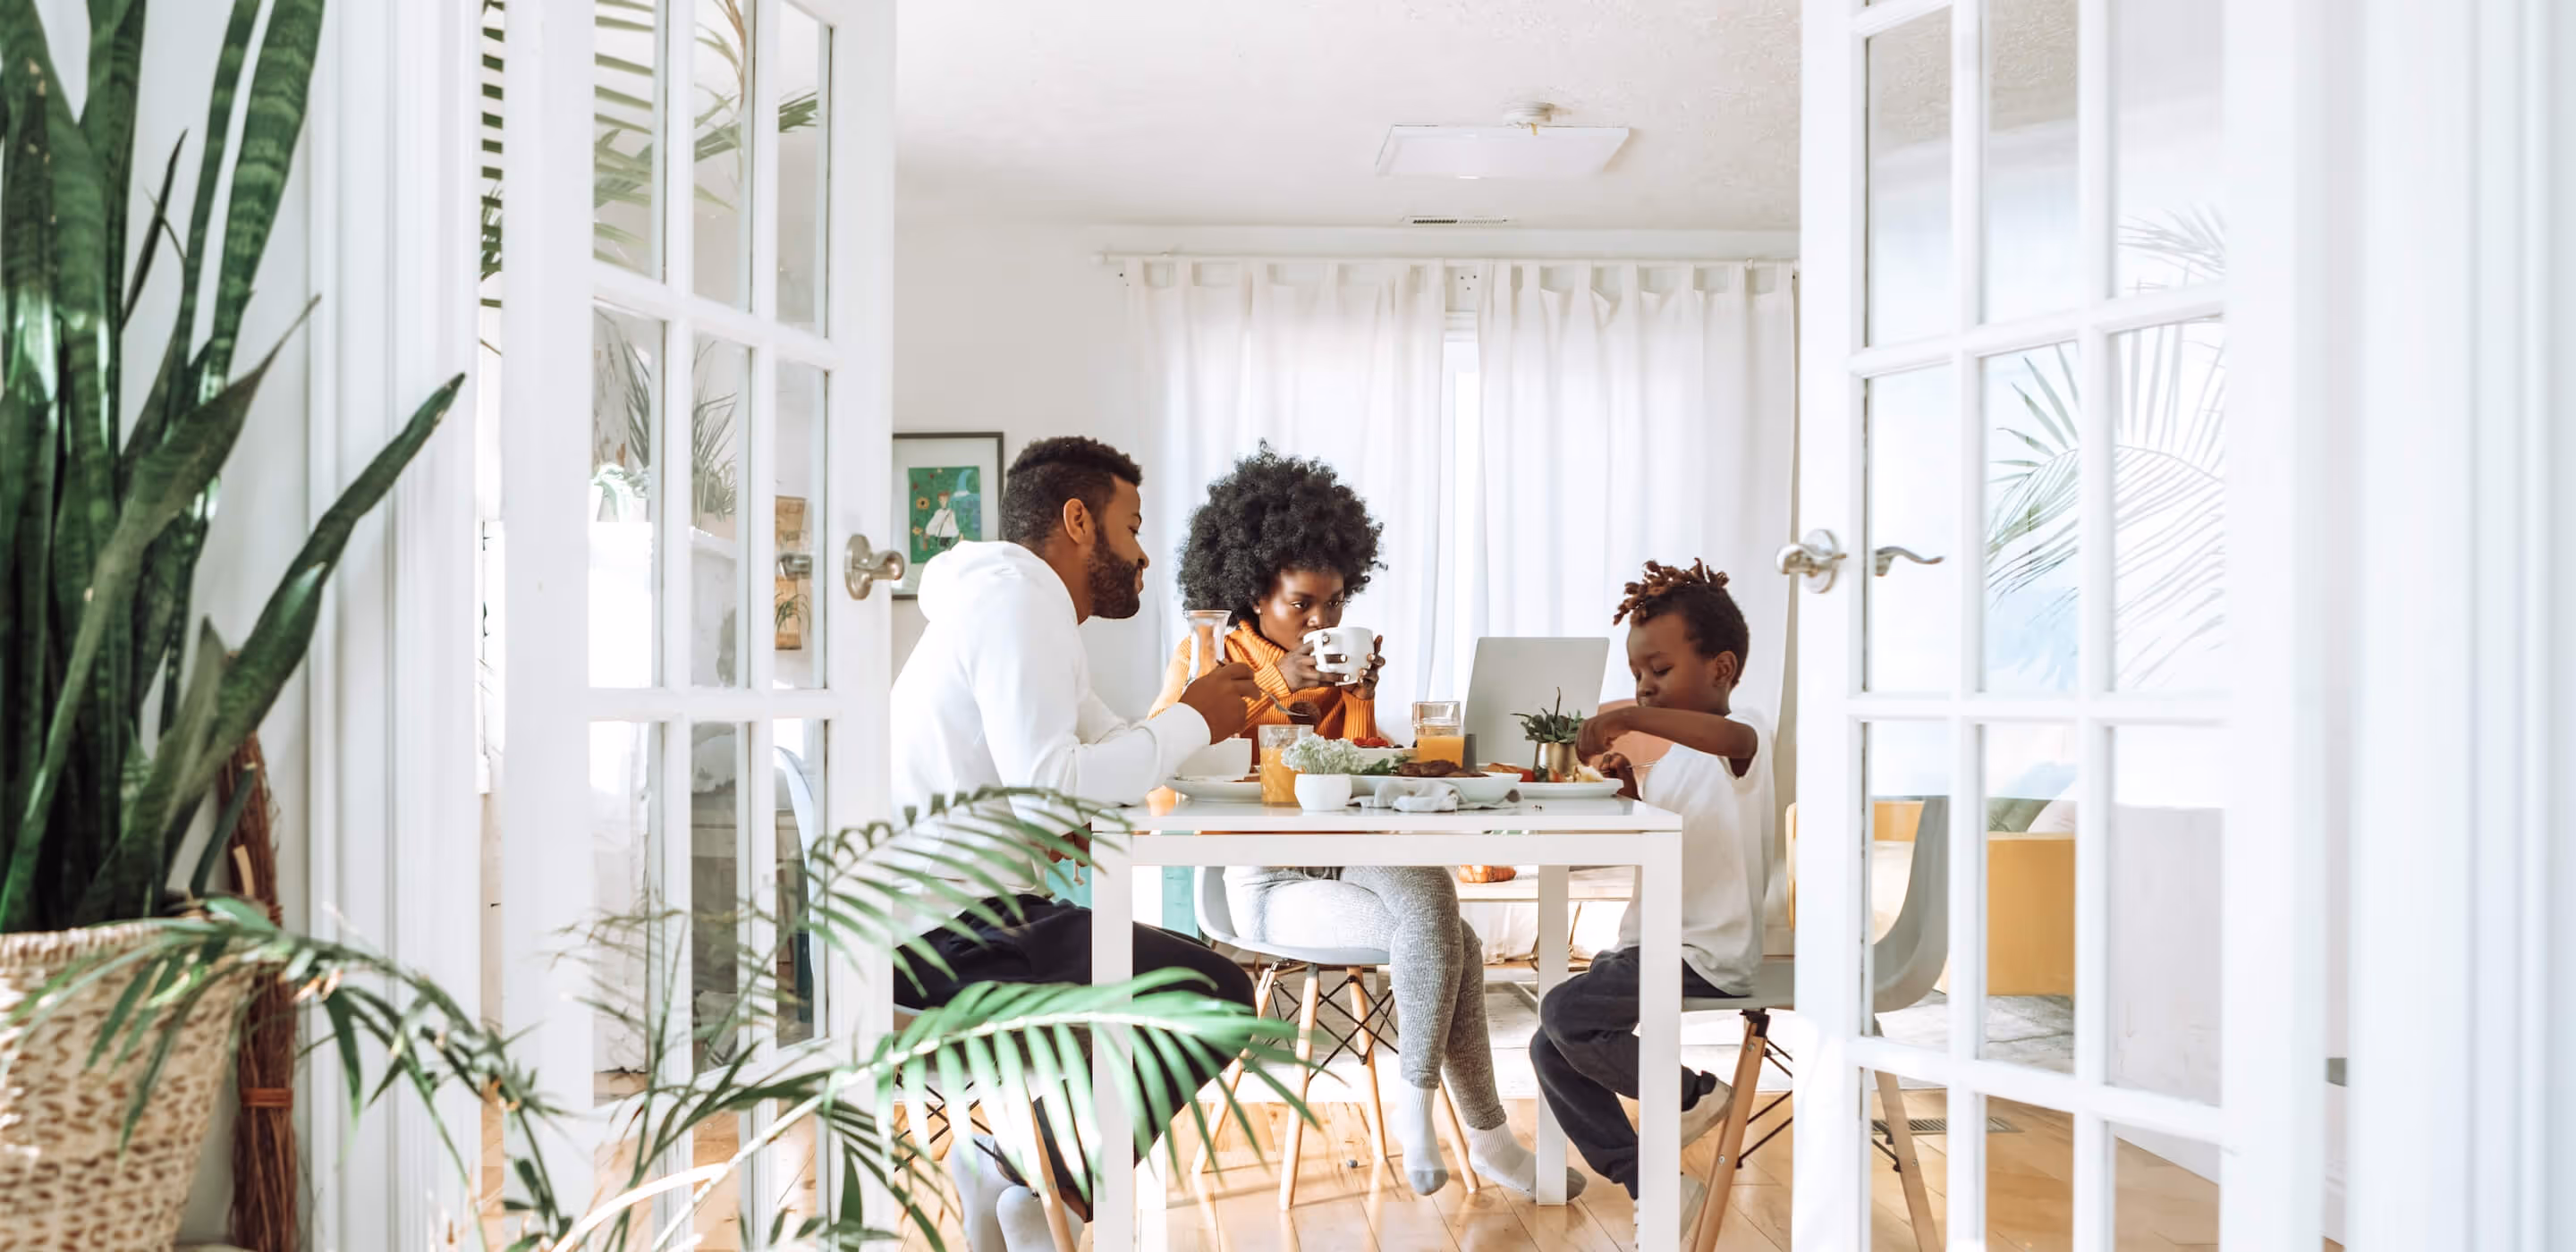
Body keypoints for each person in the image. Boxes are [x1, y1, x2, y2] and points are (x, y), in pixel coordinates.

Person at [1147, 445, 1579, 1199]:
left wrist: (1364, 701)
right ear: (1253, 591)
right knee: (1455, 939)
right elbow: (1165, 770)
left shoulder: (1336, 666)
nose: (1322, 621)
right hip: (1265, 877)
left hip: (1347, 853)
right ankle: (1476, 1136)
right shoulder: (1210, 657)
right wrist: (1279, 681)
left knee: (1435, 904)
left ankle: (1441, 1122)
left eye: (1335, 603)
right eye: (1301, 604)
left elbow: (1350, 775)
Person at [890, 436, 1263, 1252]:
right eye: (1131, 529)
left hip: (965, 913)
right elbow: (1060, 780)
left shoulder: (1017, 605)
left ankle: (1010, 1168)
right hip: (947, 932)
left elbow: (1106, 757)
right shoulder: (1016, 605)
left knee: (1193, 986)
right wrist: (1195, 716)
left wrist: (1187, 711)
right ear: (1077, 520)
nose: (1142, 558)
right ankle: (1044, 1186)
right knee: (1214, 997)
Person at [1530, 559, 1775, 1240]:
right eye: (1638, 673)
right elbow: (1669, 837)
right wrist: (1630, 787)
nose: (1644, 686)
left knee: (1565, 1014)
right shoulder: (1677, 760)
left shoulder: (1745, 732)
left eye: (1660, 671)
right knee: (1551, 1048)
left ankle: (1695, 1095)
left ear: (1722, 669)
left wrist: (1631, 720)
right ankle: (1656, 1187)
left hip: (1706, 950)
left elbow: (1732, 740)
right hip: (1651, 944)